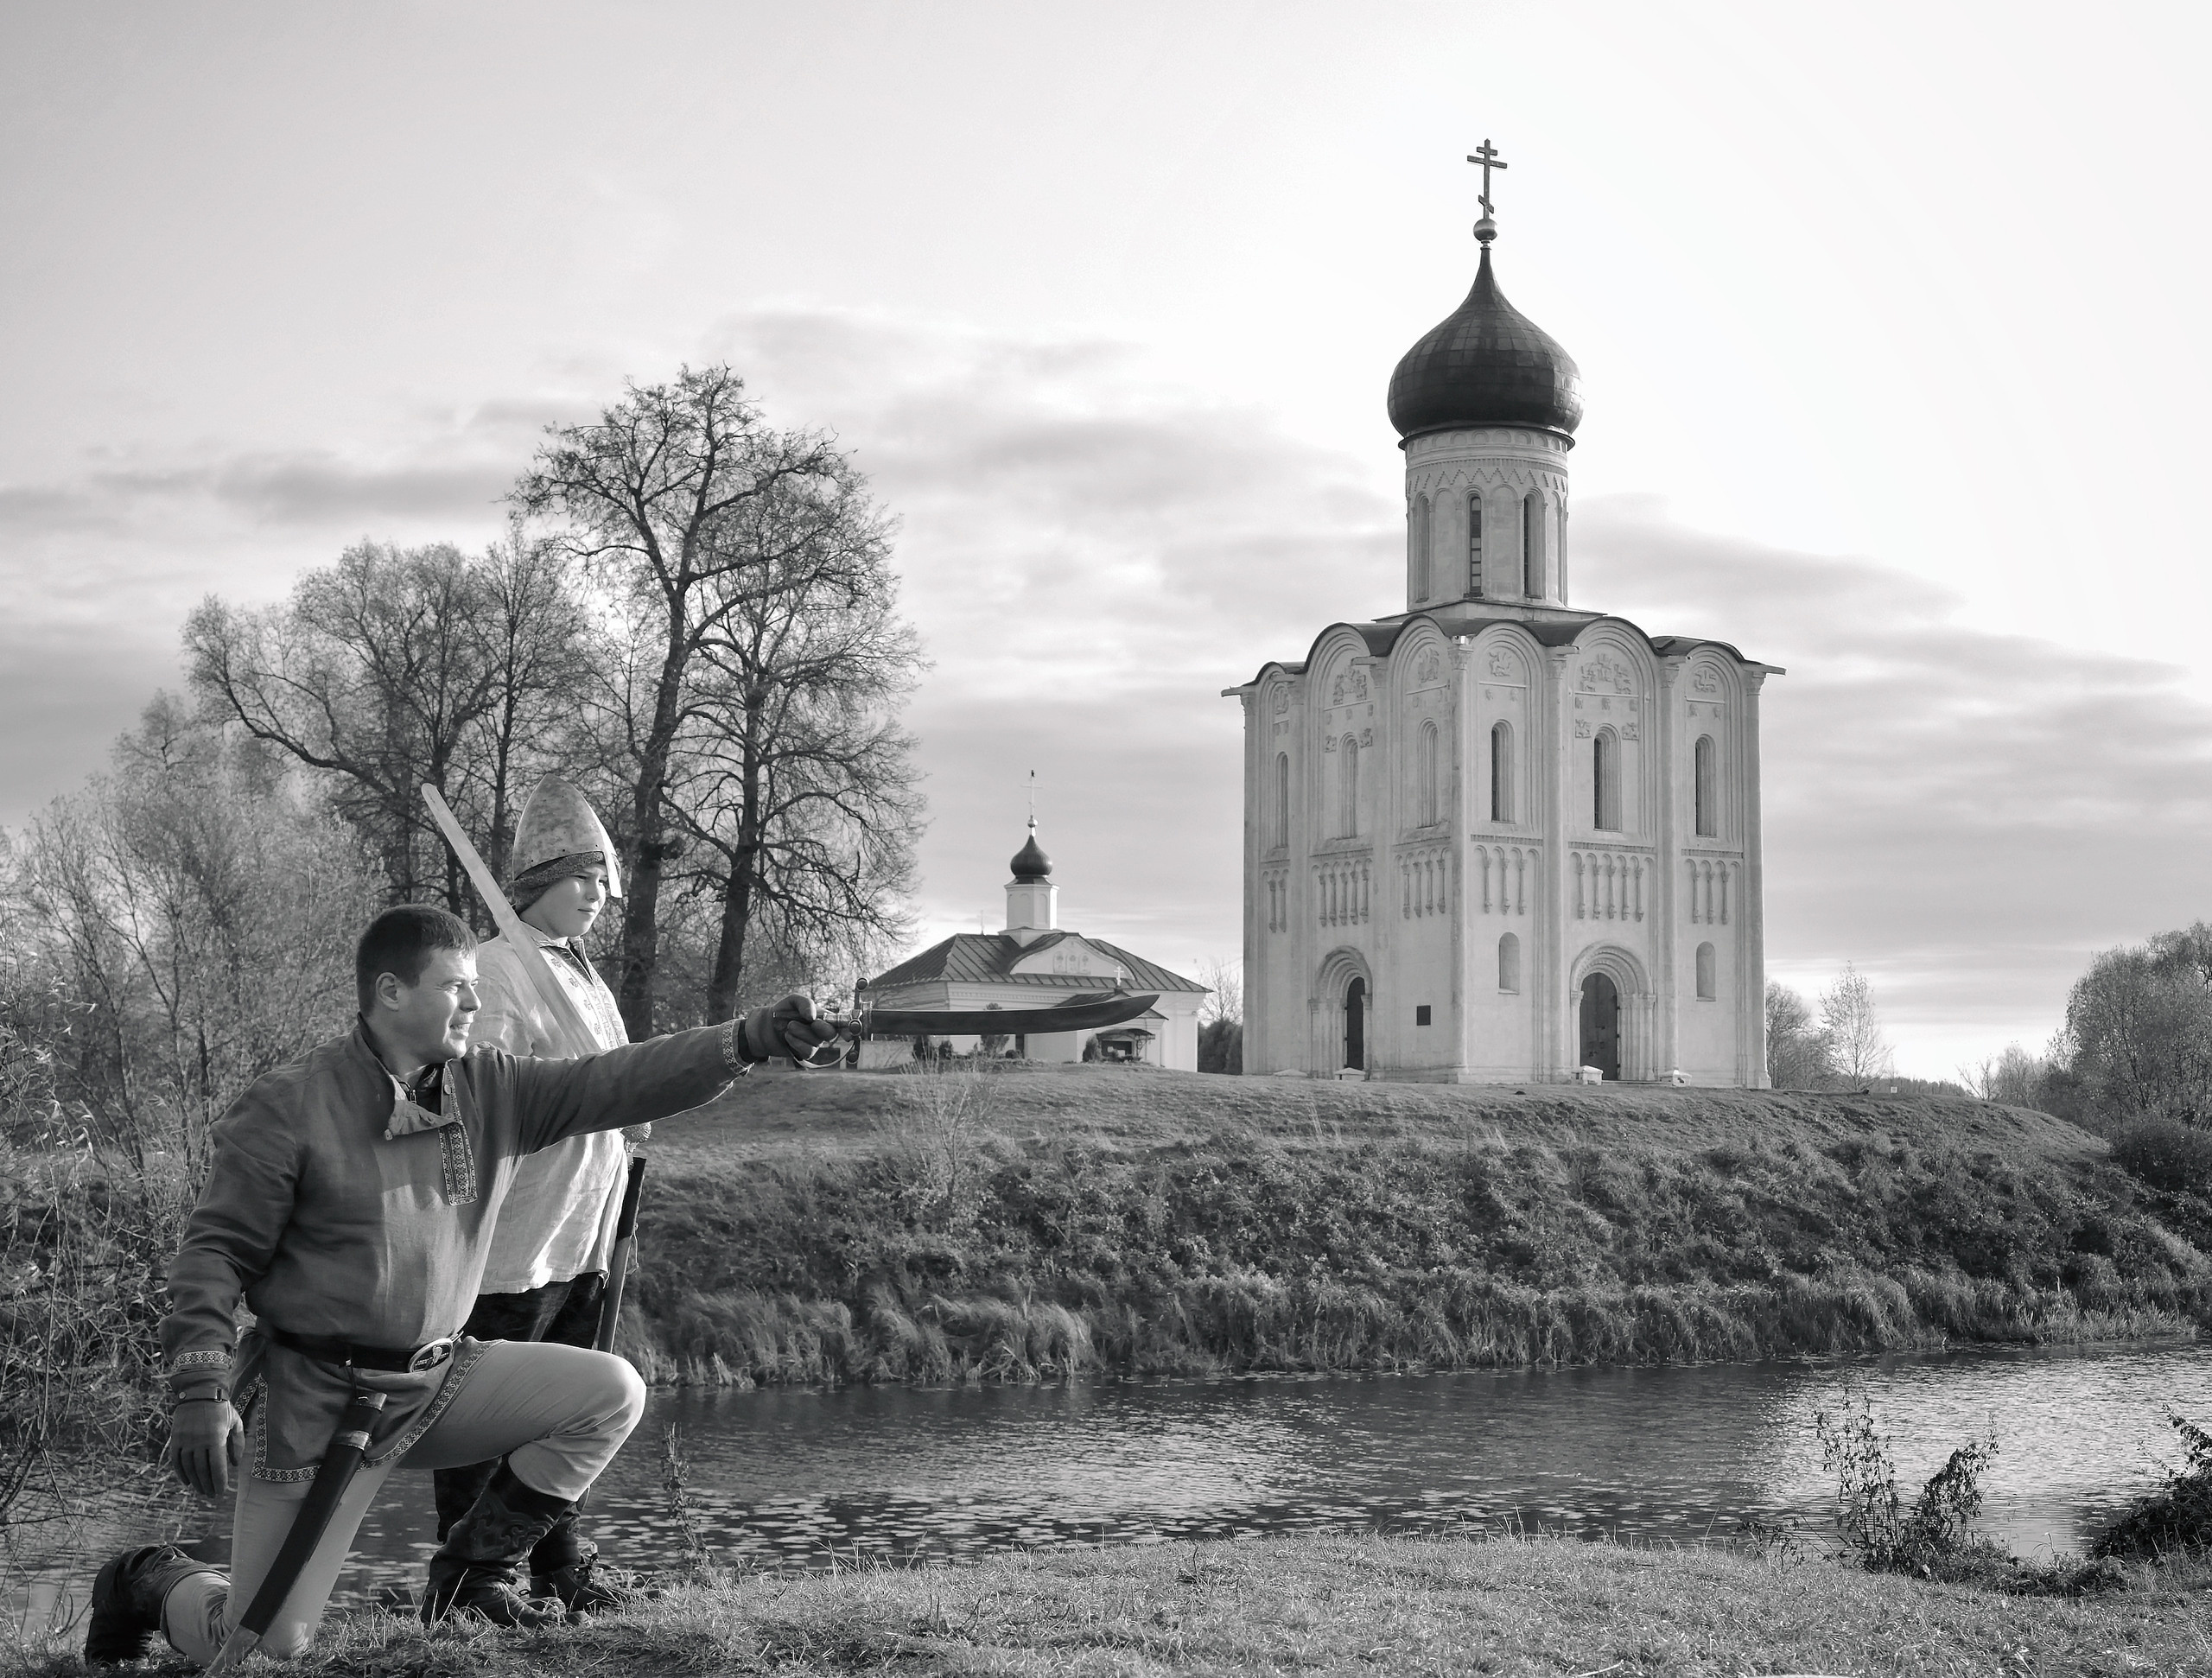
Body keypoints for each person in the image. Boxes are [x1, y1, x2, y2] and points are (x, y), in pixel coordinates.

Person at [83, 904, 841, 1668]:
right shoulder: (286, 1106)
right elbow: (215, 1254)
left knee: (610, 1392)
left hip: (435, 1380)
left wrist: (746, 1039)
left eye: (474, 987)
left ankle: (471, 1572)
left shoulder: (492, 1091)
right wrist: (199, 1391)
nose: (476, 1004)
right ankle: (146, 1578)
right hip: (311, 1401)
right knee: (259, 1648)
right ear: (390, 993)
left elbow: (616, 1082)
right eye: (455, 986)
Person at [431, 778, 639, 1611]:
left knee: (571, 1417)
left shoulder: (584, 977)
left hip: (584, 1230)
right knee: (483, 1422)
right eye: (581, 878)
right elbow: (474, 1098)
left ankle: (561, 1568)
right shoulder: (497, 969)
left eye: (602, 881)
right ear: (538, 879)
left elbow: (617, 1082)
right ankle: (471, 1580)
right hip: (512, 1241)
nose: (596, 896)